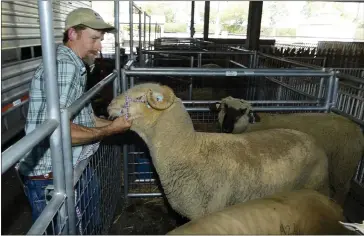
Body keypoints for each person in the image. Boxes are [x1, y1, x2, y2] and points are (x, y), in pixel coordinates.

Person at [16, 7, 131, 234]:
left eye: (101, 40)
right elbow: (58, 133)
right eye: (94, 39)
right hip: (51, 178)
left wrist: (119, 125)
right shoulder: (65, 66)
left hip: (73, 166)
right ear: (72, 34)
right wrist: (110, 131)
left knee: (92, 223)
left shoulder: (76, 66)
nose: (99, 47)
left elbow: (85, 119)